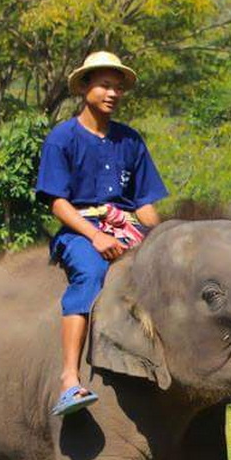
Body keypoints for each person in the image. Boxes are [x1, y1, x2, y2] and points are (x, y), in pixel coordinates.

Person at [36, 51, 167, 417]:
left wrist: (162, 239)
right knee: (91, 274)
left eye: (118, 87)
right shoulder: (62, 138)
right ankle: (69, 379)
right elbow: (57, 203)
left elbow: (143, 203)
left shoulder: (130, 141)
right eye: (105, 85)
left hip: (128, 226)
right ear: (85, 88)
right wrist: (95, 237)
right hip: (80, 231)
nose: (113, 93)